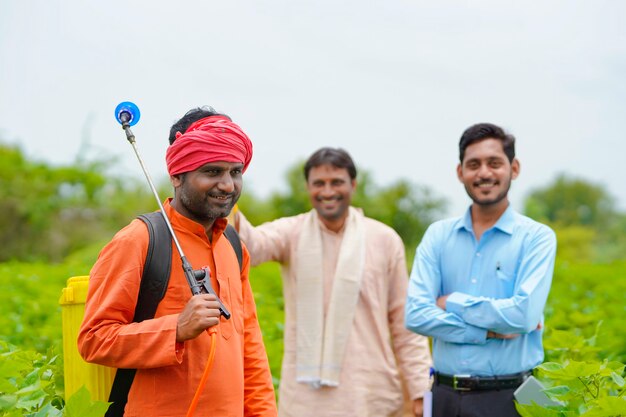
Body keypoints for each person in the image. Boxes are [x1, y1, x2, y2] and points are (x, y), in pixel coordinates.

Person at [78, 107, 278, 417]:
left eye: (235, 172)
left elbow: (250, 349)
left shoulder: (234, 246)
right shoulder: (140, 240)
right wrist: (175, 329)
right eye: (212, 171)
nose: (227, 185)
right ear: (176, 174)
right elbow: (94, 339)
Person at [235, 147, 432, 417]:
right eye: (319, 184)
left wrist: (421, 389)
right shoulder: (292, 232)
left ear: (353, 184)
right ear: (308, 187)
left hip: (371, 394)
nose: (328, 191)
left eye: (336, 182)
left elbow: (405, 322)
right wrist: (226, 200)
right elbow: (251, 245)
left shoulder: (384, 240)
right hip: (305, 399)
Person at [405, 123, 557, 417]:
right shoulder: (437, 236)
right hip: (444, 397)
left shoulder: (537, 237)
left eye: (494, 163)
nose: (484, 173)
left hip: (508, 399)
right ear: (460, 172)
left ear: (514, 168)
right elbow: (416, 314)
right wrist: (488, 330)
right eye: (473, 164)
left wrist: (451, 302)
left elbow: (522, 315)